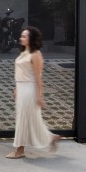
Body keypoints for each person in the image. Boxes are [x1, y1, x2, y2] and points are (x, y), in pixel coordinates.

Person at [6, 26, 62, 159]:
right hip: (22, 88)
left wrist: (40, 96)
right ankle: (51, 138)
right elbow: (21, 73)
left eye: (24, 36)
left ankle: (19, 150)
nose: (21, 38)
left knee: (23, 120)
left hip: (29, 91)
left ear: (31, 39)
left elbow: (38, 77)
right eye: (21, 36)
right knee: (32, 120)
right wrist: (16, 89)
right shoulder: (24, 52)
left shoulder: (36, 55)